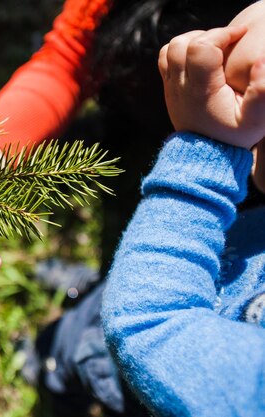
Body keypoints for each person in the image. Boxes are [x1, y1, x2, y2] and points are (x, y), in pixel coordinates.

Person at [0, 0, 261, 415]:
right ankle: (100, 283)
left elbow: (158, 336)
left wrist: (209, 150)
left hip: (232, 216)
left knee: (119, 359)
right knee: (125, 251)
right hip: (141, 162)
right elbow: (71, 53)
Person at [102, 1, 265, 415]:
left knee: (79, 356)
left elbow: (150, 323)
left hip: (155, 357)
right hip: (201, 260)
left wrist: (207, 147)